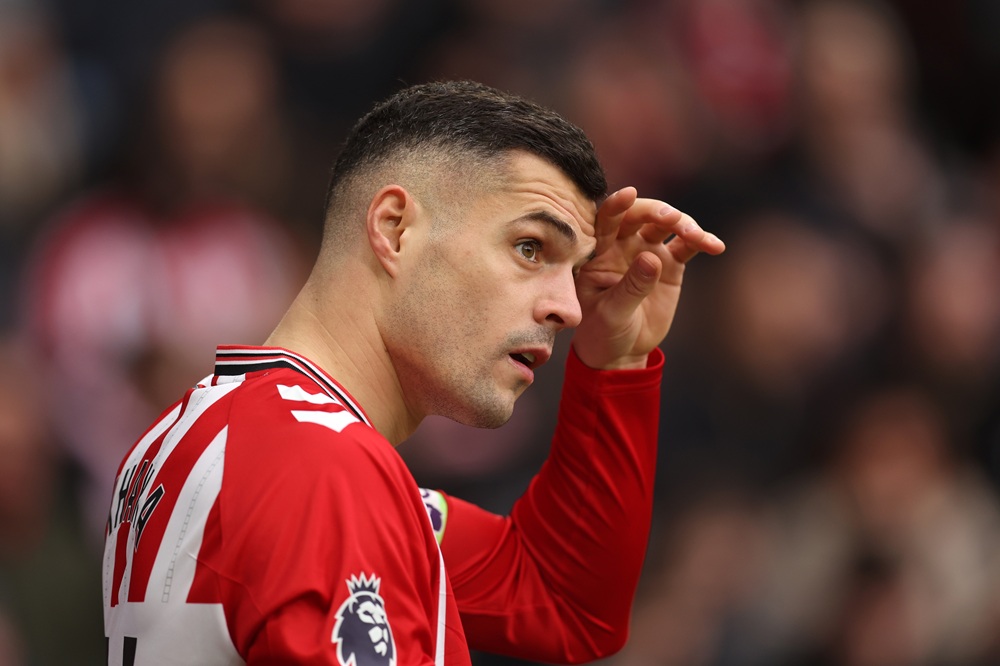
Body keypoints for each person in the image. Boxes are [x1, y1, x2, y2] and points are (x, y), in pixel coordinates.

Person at [102, 80, 724, 665]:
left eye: (570, 269)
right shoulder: (327, 472)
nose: (567, 306)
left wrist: (614, 360)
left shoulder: (201, 434)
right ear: (394, 230)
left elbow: (561, 601)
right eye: (530, 247)